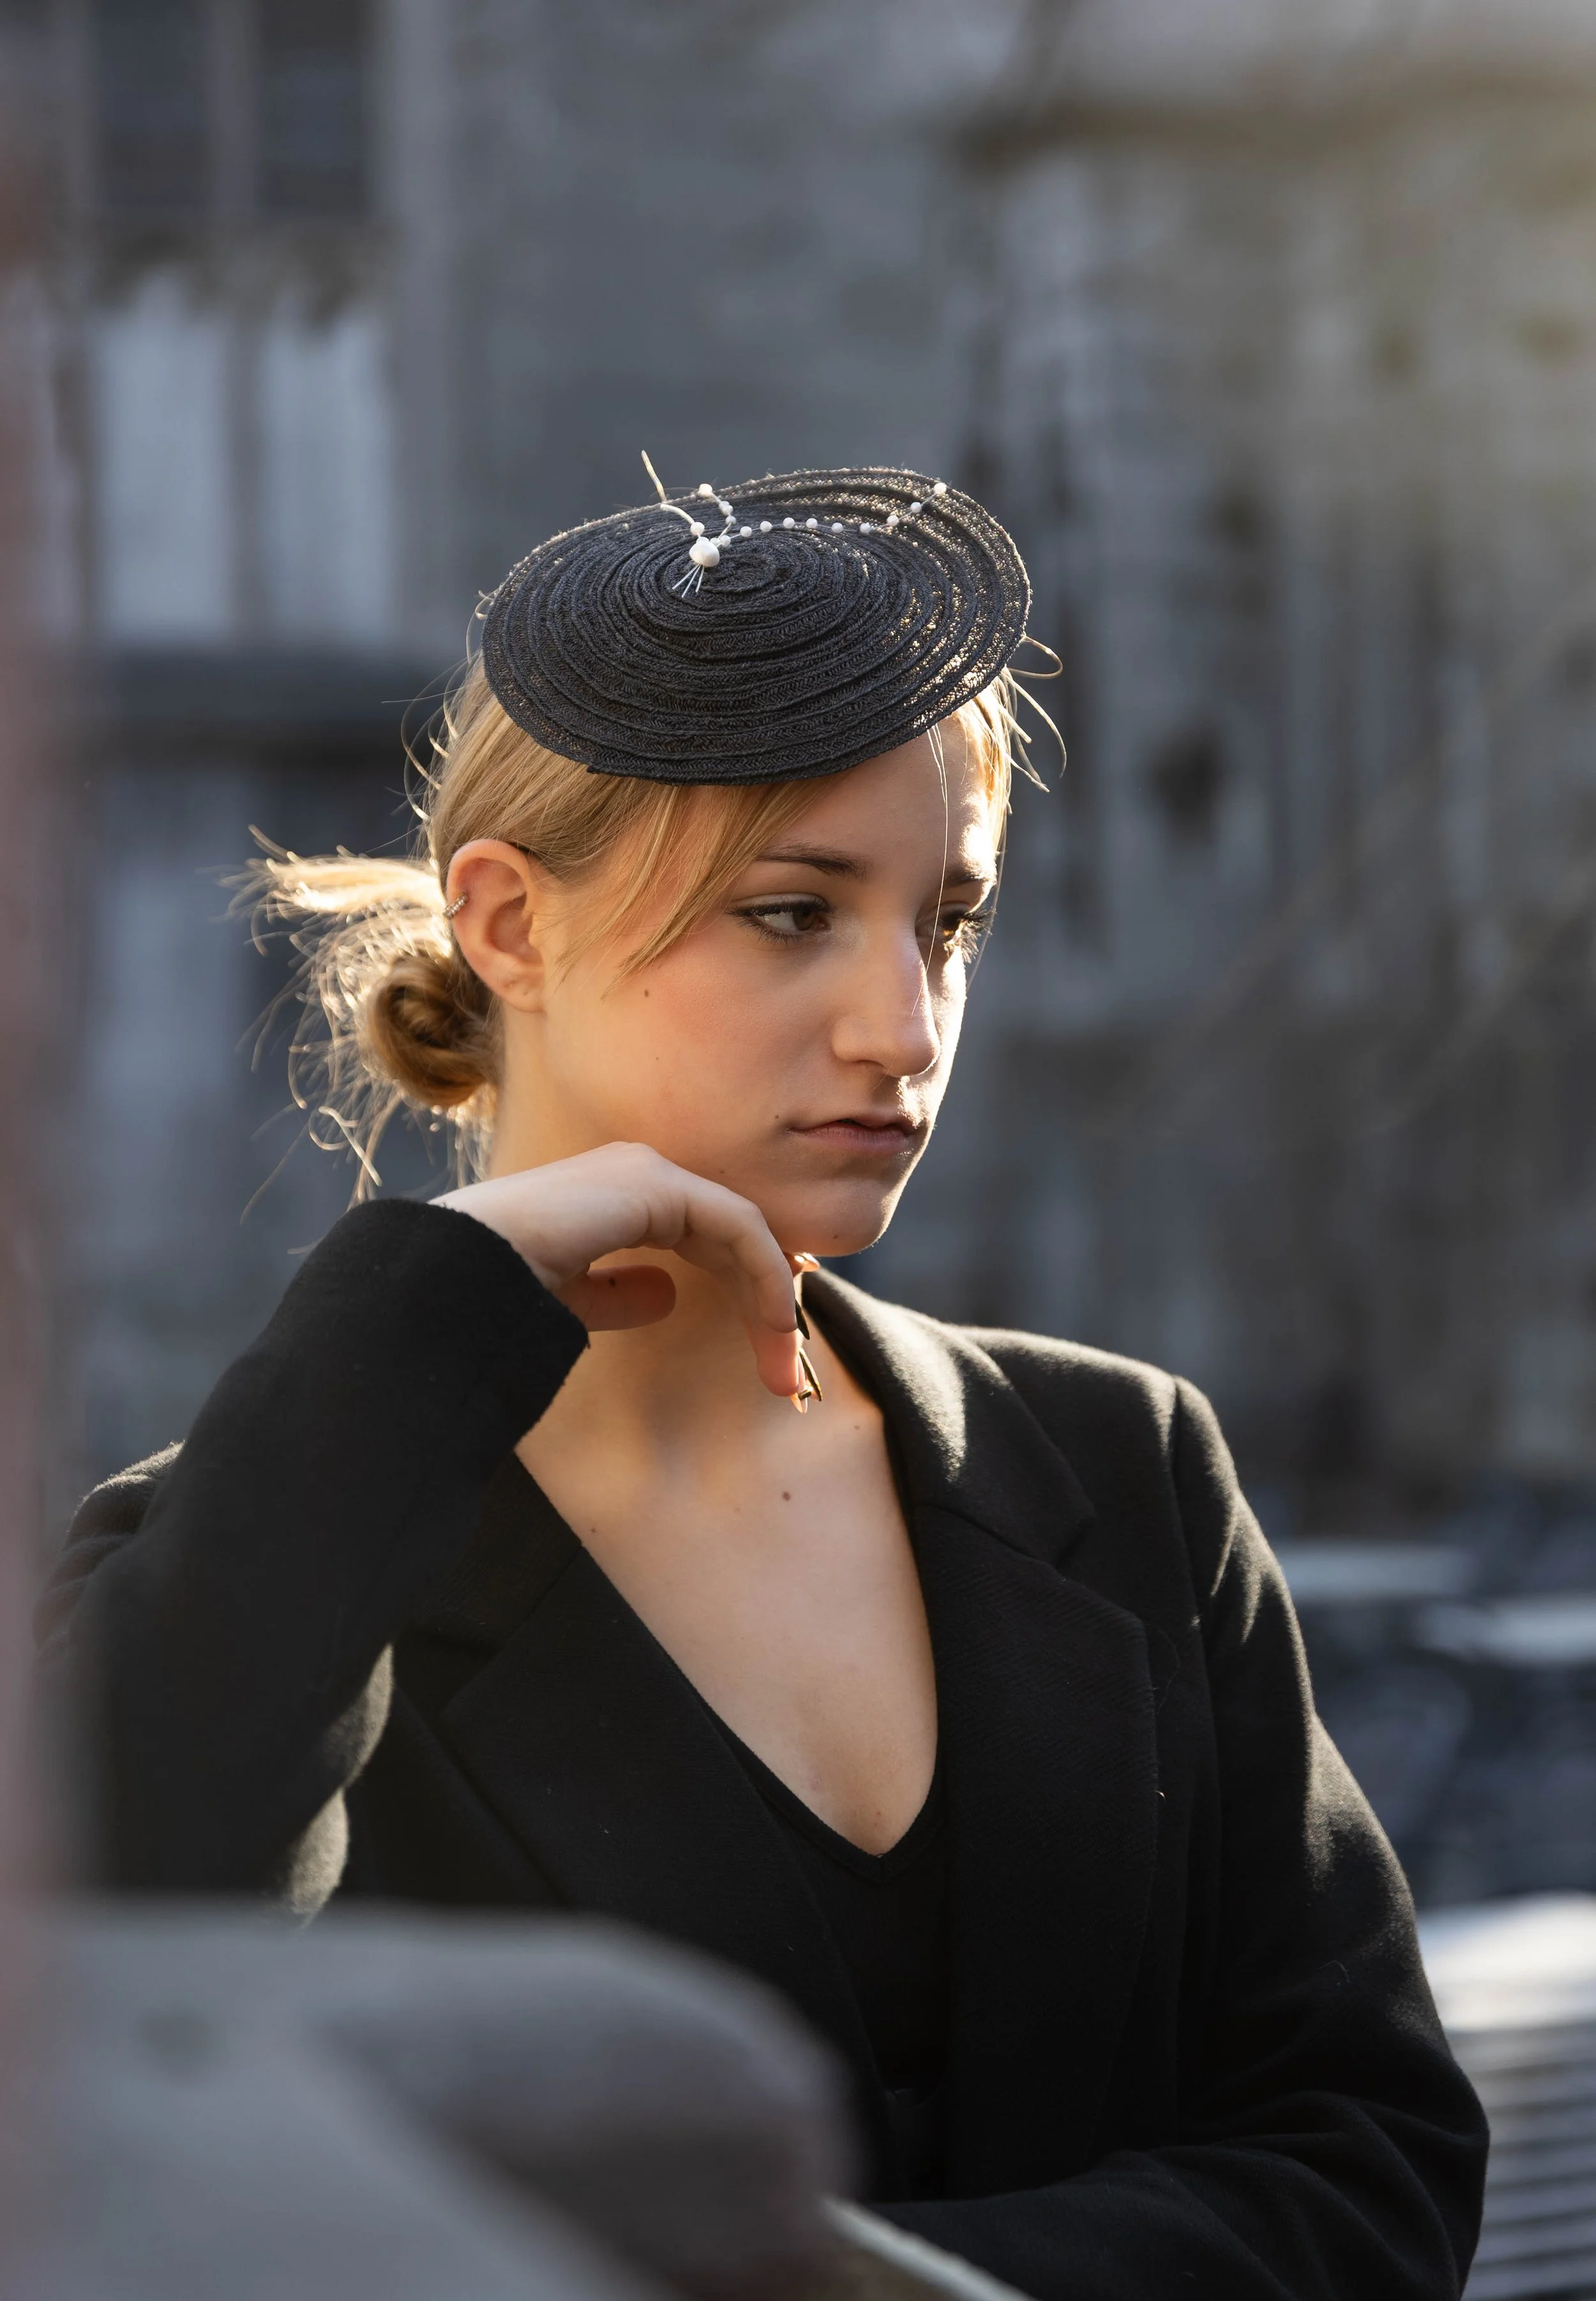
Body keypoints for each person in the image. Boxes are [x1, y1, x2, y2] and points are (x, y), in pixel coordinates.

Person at [40, 465, 1486, 2299]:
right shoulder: (246, 1564)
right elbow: (85, 2030)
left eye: (943, 921)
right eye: (792, 911)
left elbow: (1372, 2172)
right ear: (506, 923)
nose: (901, 1025)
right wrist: (428, 1302)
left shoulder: (1122, 1468)